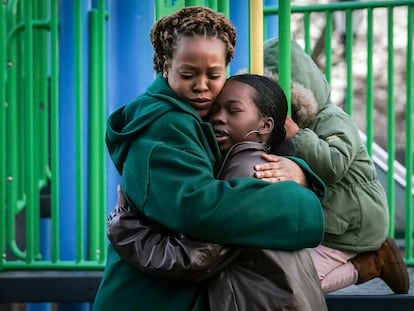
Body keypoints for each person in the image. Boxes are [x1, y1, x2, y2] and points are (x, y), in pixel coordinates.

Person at [93, 6, 326, 311]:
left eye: (214, 75)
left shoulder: (194, 118)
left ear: (227, 67)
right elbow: (198, 207)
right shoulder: (164, 124)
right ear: (166, 67)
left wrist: (298, 170)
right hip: (149, 297)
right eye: (188, 74)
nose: (202, 86)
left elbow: (231, 161)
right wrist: (301, 204)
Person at [260, 37, 409, 294]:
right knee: (280, 278)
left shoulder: (332, 119)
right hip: (327, 221)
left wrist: (298, 135)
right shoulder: (283, 127)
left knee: (296, 287)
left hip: (353, 222)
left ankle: (374, 262)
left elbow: (334, 164)